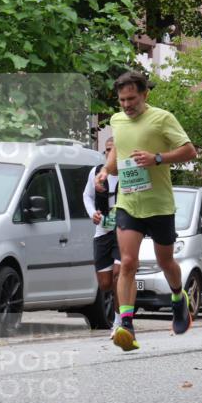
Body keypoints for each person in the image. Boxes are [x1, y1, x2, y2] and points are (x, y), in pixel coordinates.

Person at [97, 71, 198, 351]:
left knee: (166, 261)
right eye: (122, 100)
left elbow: (190, 151)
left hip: (159, 204)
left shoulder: (162, 118)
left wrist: (157, 158)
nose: (126, 105)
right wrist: (105, 171)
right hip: (129, 202)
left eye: (132, 99)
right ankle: (126, 325)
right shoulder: (117, 120)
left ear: (145, 94)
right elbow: (117, 152)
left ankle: (178, 297)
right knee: (128, 262)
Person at [83, 137, 121, 333]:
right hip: (103, 231)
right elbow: (87, 196)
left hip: (124, 231)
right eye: (107, 150)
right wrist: (93, 214)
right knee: (105, 284)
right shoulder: (96, 172)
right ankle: (125, 299)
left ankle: (119, 321)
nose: (109, 154)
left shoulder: (128, 172)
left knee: (118, 276)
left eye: (113, 150)